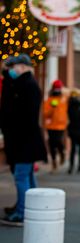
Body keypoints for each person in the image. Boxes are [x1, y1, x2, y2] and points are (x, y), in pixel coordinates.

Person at [0, 54, 47, 226]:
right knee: (26, 176)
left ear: (21, 67)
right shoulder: (23, 84)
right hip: (23, 141)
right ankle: (31, 208)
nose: (10, 70)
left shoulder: (27, 86)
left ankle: (23, 211)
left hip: (24, 141)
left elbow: (18, 113)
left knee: (22, 177)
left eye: (12, 67)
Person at [43, 79, 69, 172]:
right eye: (56, 88)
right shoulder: (49, 99)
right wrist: (52, 107)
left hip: (61, 125)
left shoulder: (65, 98)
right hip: (51, 125)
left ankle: (62, 152)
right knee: (51, 143)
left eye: (59, 88)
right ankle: (54, 162)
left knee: (58, 141)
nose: (57, 90)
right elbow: (45, 113)